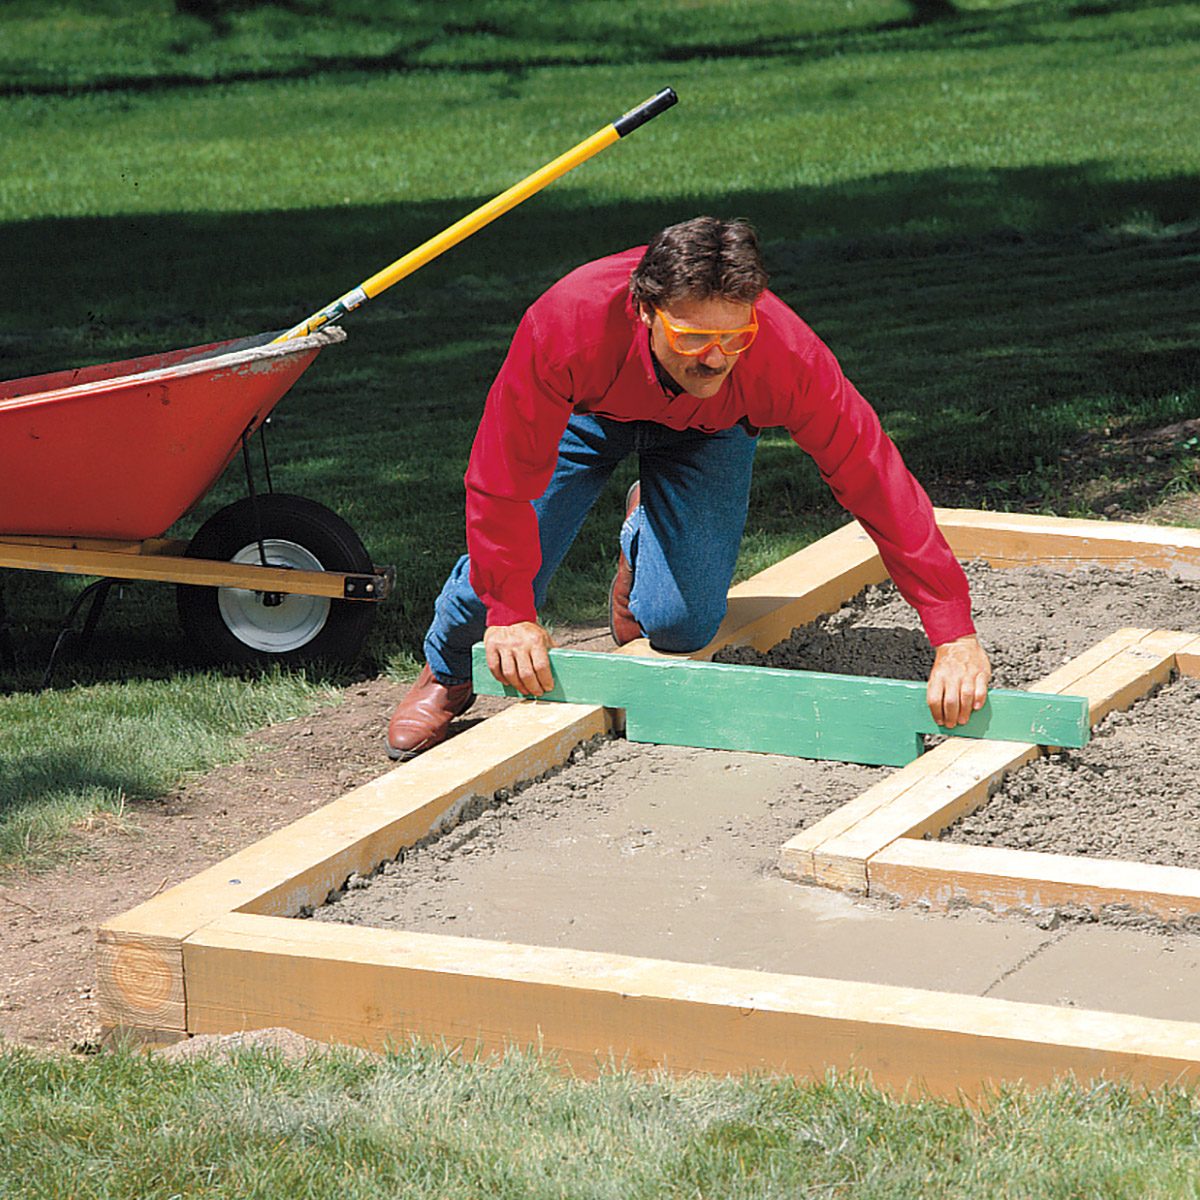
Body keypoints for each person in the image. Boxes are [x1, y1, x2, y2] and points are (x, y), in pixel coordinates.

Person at [386, 216, 991, 760]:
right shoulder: (568, 322)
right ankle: (446, 672)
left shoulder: (784, 356)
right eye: (692, 338)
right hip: (589, 414)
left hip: (710, 431)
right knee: (504, 576)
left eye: (735, 338)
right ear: (645, 310)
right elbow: (501, 481)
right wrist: (512, 613)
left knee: (682, 626)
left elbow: (875, 478)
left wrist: (952, 628)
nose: (715, 359)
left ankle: (640, 535)